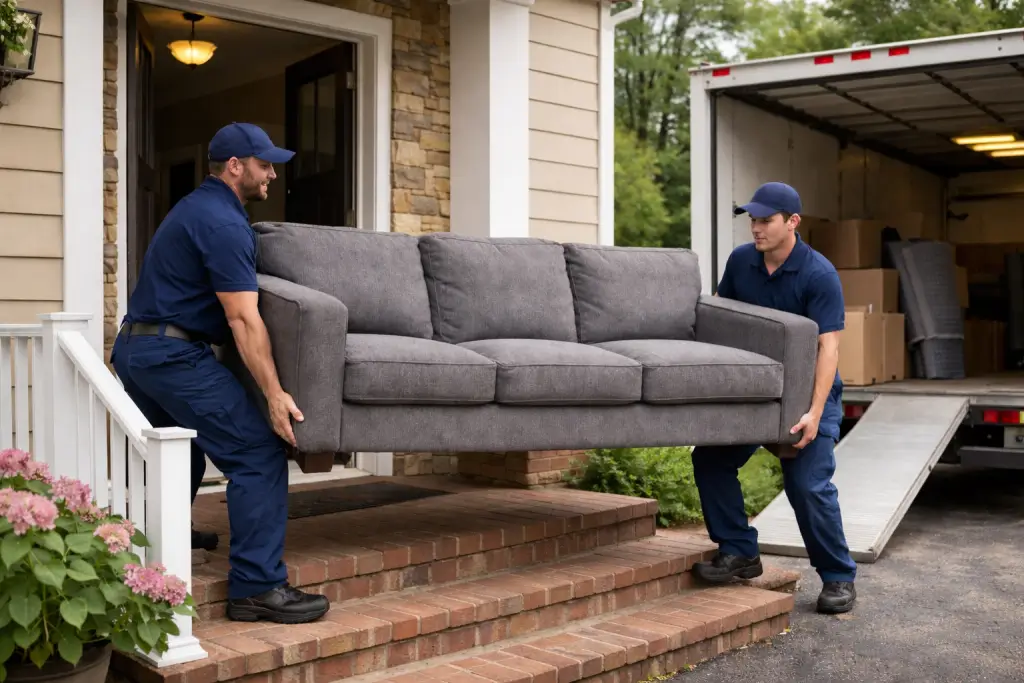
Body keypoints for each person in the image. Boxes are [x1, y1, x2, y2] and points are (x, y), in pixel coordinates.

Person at [110, 122, 330, 624]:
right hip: (171, 355)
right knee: (257, 454)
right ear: (235, 166)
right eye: (264, 164)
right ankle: (257, 587)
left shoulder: (195, 208)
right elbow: (243, 319)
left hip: (136, 349)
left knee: (180, 447)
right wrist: (274, 393)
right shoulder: (225, 225)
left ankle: (165, 535)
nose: (272, 174)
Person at [690, 181, 857, 615]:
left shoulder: (819, 274)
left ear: (793, 222)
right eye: (753, 219)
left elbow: (828, 348)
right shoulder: (741, 261)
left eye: (765, 220)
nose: (756, 228)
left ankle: (838, 577)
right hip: (756, 392)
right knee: (710, 459)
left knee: (807, 485)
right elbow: (722, 316)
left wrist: (815, 412)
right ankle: (739, 551)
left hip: (807, 395)